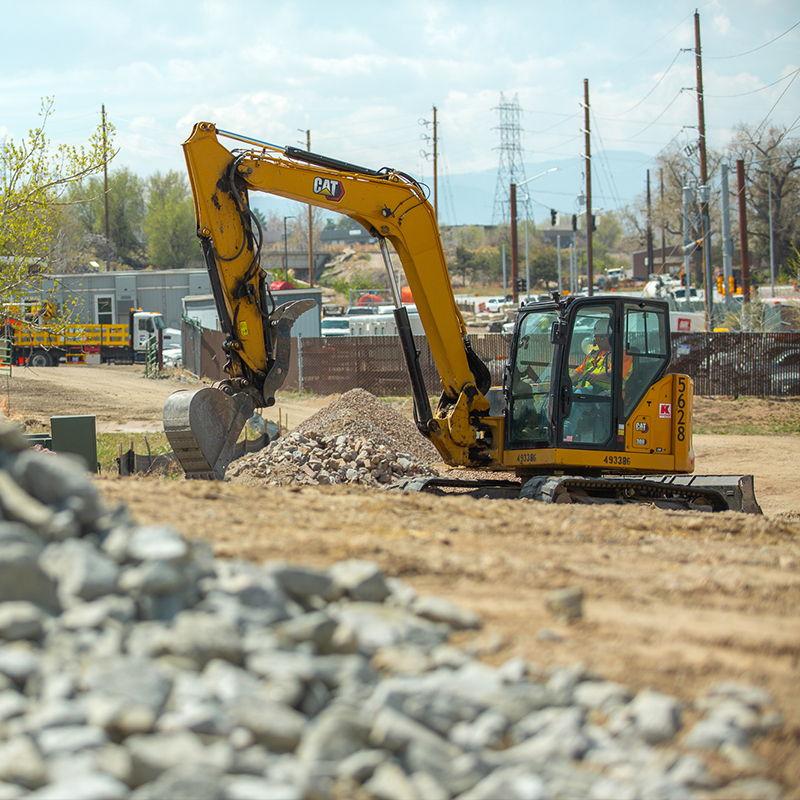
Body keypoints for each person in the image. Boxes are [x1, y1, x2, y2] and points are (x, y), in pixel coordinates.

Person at [564, 321, 631, 443]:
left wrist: (598, 376)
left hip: (610, 394)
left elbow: (617, 372)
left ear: (611, 338)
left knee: (579, 396)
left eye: (600, 338)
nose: (597, 341)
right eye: (595, 338)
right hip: (592, 391)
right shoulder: (593, 355)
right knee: (567, 393)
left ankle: (566, 432)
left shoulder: (622, 354)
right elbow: (579, 372)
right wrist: (563, 380)